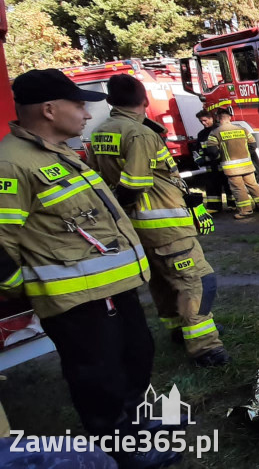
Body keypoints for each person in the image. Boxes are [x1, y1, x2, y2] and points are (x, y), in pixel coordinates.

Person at [0, 69, 179, 467]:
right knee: (99, 377)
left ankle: (134, 424)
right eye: (78, 104)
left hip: (112, 289)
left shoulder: (59, 152)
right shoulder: (11, 164)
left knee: (136, 355)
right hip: (76, 301)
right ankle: (121, 449)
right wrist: (25, 288)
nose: (85, 114)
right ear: (49, 109)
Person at [89, 74, 229, 367]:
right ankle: (205, 347)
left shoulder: (101, 132)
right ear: (144, 101)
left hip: (138, 227)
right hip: (164, 225)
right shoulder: (139, 134)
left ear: (110, 101)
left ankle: (179, 330)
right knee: (199, 281)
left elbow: (100, 180)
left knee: (164, 282)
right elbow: (135, 183)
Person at [206, 107, 259, 219]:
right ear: (229, 118)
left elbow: (212, 152)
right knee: (253, 185)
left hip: (232, 168)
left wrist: (221, 158)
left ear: (219, 119)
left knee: (238, 188)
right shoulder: (243, 129)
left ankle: (246, 211)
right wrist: (245, 154)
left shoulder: (215, 133)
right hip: (247, 165)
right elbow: (253, 145)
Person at [192, 109, 234, 212]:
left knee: (229, 185)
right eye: (201, 121)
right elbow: (198, 149)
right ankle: (214, 207)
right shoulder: (201, 134)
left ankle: (233, 205)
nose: (203, 123)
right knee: (212, 187)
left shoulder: (219, 130)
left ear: (211, 118)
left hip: (222, 164)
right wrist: (198, 159)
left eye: (205, 120)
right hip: (210, 166)